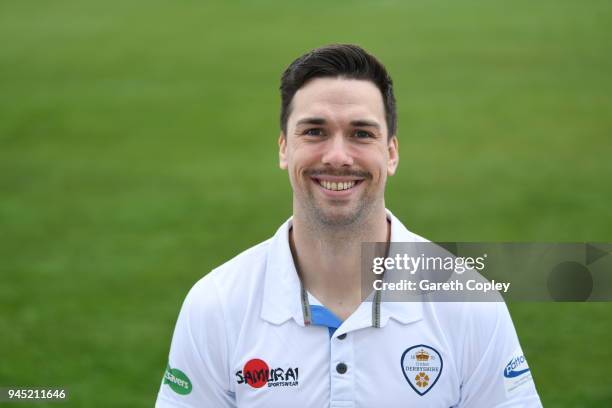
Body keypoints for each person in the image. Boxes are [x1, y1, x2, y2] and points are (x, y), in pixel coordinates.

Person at [156, 44, 542, 407]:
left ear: (390, 154)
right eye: (314, 131)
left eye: (361, 133)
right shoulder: (216, 305)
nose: (338, 156)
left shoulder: (468, 302)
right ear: (283, 148)